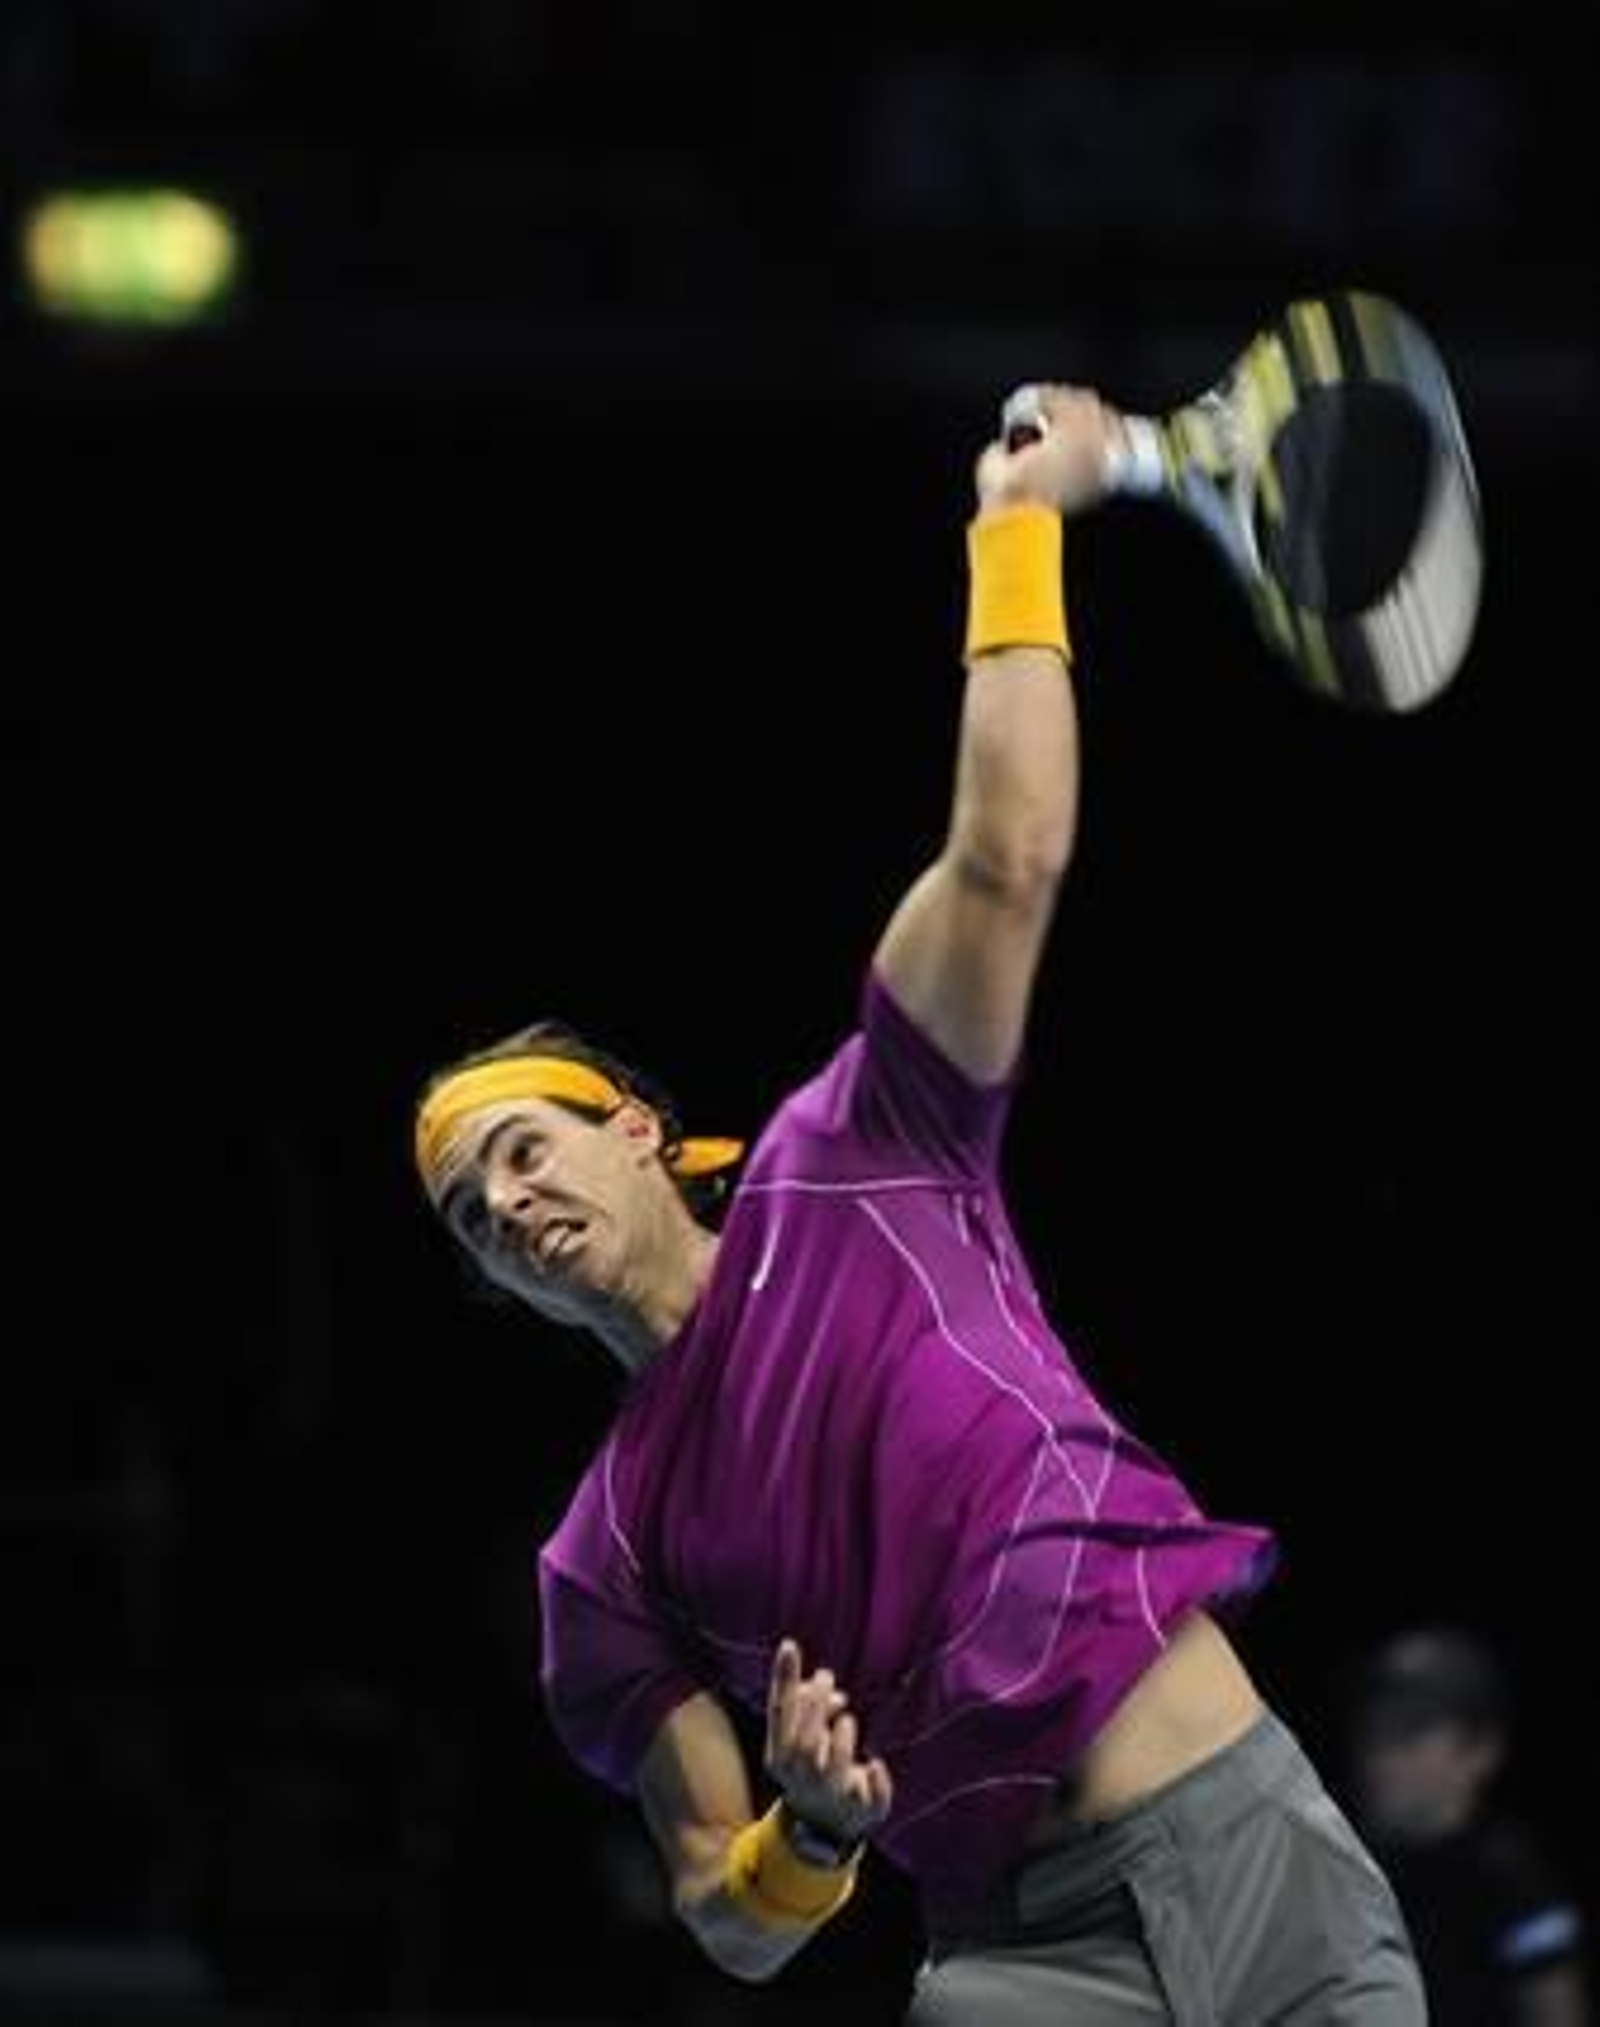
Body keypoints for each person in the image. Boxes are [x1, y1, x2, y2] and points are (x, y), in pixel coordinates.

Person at [412, 387, 1426, 2022]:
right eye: (470, 1213)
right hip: (1021, 1962)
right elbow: (722, 1911)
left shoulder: (861, 1154)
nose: (509, 1201)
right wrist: (806, 1836)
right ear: (498, 1286)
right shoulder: (601, 1564)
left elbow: (1006, 855)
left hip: (1248, 1837)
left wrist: (1015, 529)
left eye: (526, 1147)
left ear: (640, 1130)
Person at [1345, 1624, 1590, 2027]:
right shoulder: (1338, 1862)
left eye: (1410, 1734)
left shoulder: (1511, 1879)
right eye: (1375, 1730)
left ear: (1481, 1751)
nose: (1382, 1754)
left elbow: (1556, 2013)